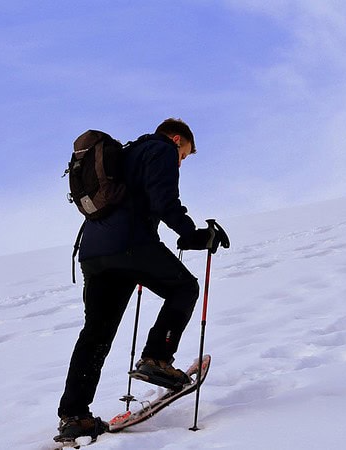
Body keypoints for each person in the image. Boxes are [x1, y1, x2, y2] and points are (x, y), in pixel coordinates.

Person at [55, 118, 224, 441]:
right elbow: (164, 200)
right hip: (130, 245)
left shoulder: (125, 153)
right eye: (183, 155)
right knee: (184, 288)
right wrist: (192, 235)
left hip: (93, 255)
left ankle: (74, 416)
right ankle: (157, 358)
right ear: (177, 139)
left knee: (96, 335)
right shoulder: (161, 149)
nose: (180, 162)